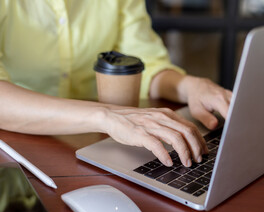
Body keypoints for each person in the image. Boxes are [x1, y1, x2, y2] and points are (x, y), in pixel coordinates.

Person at [0, 0, 232, 168]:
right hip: (20, 148)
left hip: (105, 143)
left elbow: (143, 61)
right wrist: (107, 116)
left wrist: (189, 86)